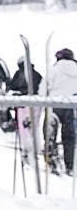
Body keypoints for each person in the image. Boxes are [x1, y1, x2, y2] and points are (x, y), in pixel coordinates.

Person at [41, 48, 77, 176]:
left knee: (50, 134)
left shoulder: (54, 69)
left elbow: (44, 88)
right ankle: (70, 164)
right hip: (71, 105)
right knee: (69, 137)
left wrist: (41, 100)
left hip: (53, 104)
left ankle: (52, 160)